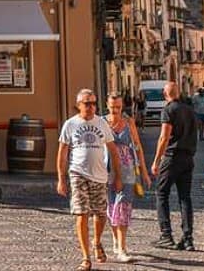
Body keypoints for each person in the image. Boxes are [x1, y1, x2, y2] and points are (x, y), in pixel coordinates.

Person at [57, 88, 121, 271]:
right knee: (81, 213)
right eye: (87, 103)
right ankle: (86, 257)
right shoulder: (70, 124)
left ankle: (97, 242)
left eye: (94, 103)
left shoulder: (102, 123)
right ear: (79, 105)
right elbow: (62, 153)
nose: (91, 107)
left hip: (100, 176)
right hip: (77, 173)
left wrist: (117, 176)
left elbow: (113, 151)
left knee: (100, 215)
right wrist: (61, 179)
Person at [148, 81, 198, 251]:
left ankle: (166, 235)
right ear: (178, 93)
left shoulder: (168, 110)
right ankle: (188, 238)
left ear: (165, 95)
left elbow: (164, 137)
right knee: (185, 197)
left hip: (172, 157)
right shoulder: (189, 110)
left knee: (162, 193)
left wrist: (156, 160)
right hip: (188, 158)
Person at [105, 92, 147, 263]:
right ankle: (116, 239)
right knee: (111, 207)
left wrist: (143, 170)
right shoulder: (102, 122)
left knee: (122, 206)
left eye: (119, 107)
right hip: (107, 170)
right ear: (107, 105)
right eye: (113, 107)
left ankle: (122, 249)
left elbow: (137, 147)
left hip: (127, 169)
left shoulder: (129, 122)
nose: (115, 110)